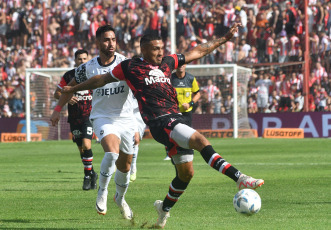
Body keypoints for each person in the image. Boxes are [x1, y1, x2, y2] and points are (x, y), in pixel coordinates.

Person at [61, 23, 264, 229]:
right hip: (159, 121)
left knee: (186, 174)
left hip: (175, 119)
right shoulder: (130, 67)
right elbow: (100, 79)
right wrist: (74, 89)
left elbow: (198, 51)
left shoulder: (167, 62)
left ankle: (163, 209)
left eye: (162, 48)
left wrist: (225, 38)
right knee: (200, 140)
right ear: (144, 49)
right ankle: (239, 178)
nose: (161, 52)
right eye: (156, 48)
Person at [50, 25, 144, 220]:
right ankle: (102, 191)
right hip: (102, 117)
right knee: (111, 152)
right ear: (98, 42)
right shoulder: (88, 67)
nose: (111, 44)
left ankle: (120, 198)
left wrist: (138, 120)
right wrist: (58, 109)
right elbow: (69, 87)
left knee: (125, 166)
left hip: (126, 119)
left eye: (113, 39)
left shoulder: (126, 63)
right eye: (106, 40)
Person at [53, 49, 98, 191]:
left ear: (88, 59)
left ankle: (86, 176)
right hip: (74, 116)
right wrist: (67, 96)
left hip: (89, 115)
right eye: (80, 59)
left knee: (86, 144)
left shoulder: (94, 73)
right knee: (81, 149)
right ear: (75, 60)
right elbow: (57, 93)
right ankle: (92, 173)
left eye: (85, 58)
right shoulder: (68, 75)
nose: (82, 61)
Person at [164, 64, 200, 160]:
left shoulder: (191, 78)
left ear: (185, 65)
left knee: (188, 134)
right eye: (178, 65)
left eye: (182, 64)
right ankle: (169, 153)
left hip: (186, 112)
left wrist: (190, 103)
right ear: (175, 66)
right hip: (173, 111)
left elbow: (197, 93)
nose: (180, 66)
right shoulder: (170, 78)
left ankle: (188, 152)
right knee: (171, 133)